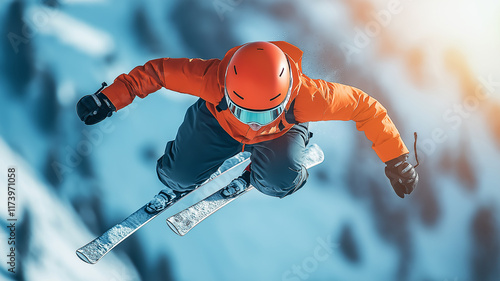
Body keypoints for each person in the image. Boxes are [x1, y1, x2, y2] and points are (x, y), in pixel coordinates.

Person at [76, 41, 418, 212]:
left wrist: (396, 157)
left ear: (285, 98)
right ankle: (195, 160)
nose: (253, 124)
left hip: (284, 132)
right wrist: (109, 98)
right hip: (217, 123)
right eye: (245, 110)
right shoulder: (209, 79)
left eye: (264, 113)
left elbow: (366, 108)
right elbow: (155, 73)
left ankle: (278, 168)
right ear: (226, 90)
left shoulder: (308, 98)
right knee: (176, 177)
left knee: (278, 182)